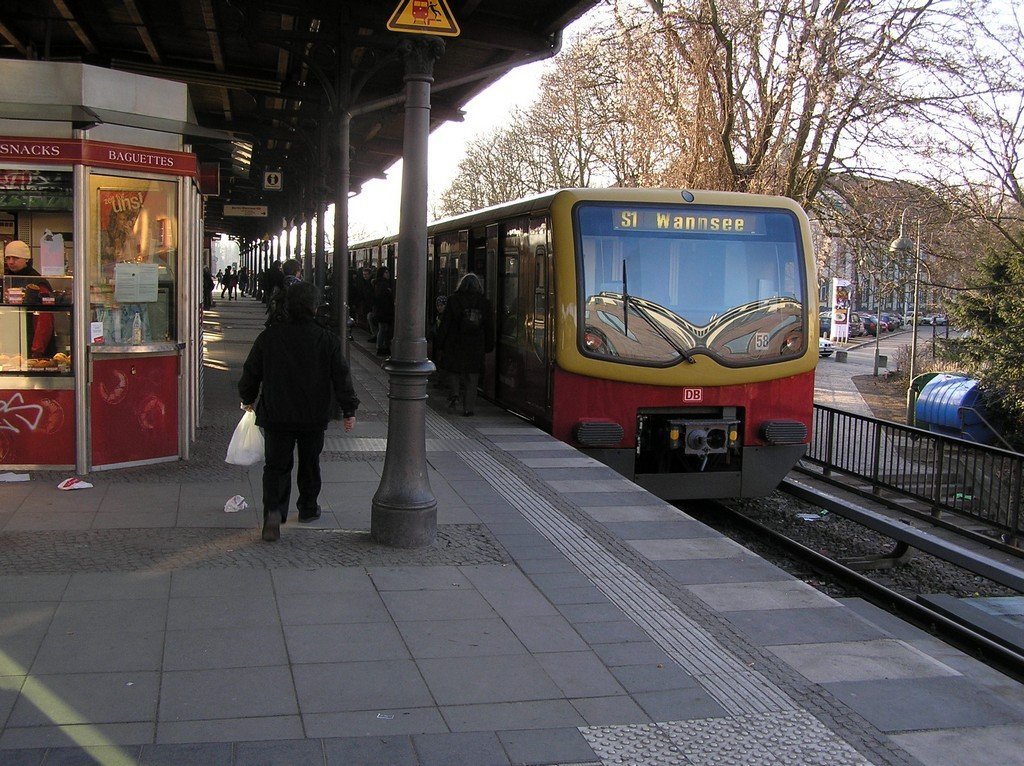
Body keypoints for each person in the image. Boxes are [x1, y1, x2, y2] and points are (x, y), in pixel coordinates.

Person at [239, 281, 359, 542]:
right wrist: (349, 408)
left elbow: (251, 371)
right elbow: (341, 375)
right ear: (315, 308)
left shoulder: (269, 337)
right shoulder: (326, 339)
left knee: (276, 466)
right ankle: (307, 508)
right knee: (310, 462)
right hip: (312, 414)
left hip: (277, 413)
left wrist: (247, 397)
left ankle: (273, 512)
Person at [434, 272, 493, 416]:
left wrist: (439, 344)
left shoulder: (453, 300)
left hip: (455, 343)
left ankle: (454, 395)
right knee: (472, 376)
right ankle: (469, 408)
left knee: (454, 371)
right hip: (475, 344)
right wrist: (489, 345)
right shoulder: (484, 303)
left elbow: (445, 324)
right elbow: (489, 326)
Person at [4, 240, 55, 358]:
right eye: (8, 258)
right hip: (16, 347)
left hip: (33, 349)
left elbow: (45, 319)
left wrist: (36, 351)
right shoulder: (9, 280)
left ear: (26, 259)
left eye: (15, 258)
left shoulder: (38, 283)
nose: (11, 262)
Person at [370, 266, 394, 356]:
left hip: (381, 310)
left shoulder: (379, 284)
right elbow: (381, 298)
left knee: (383, 329)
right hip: (384, 311)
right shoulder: (383, 284)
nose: (388, 274)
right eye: (386, 273)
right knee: (383, 329)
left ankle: (382, 346)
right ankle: (380, 347)